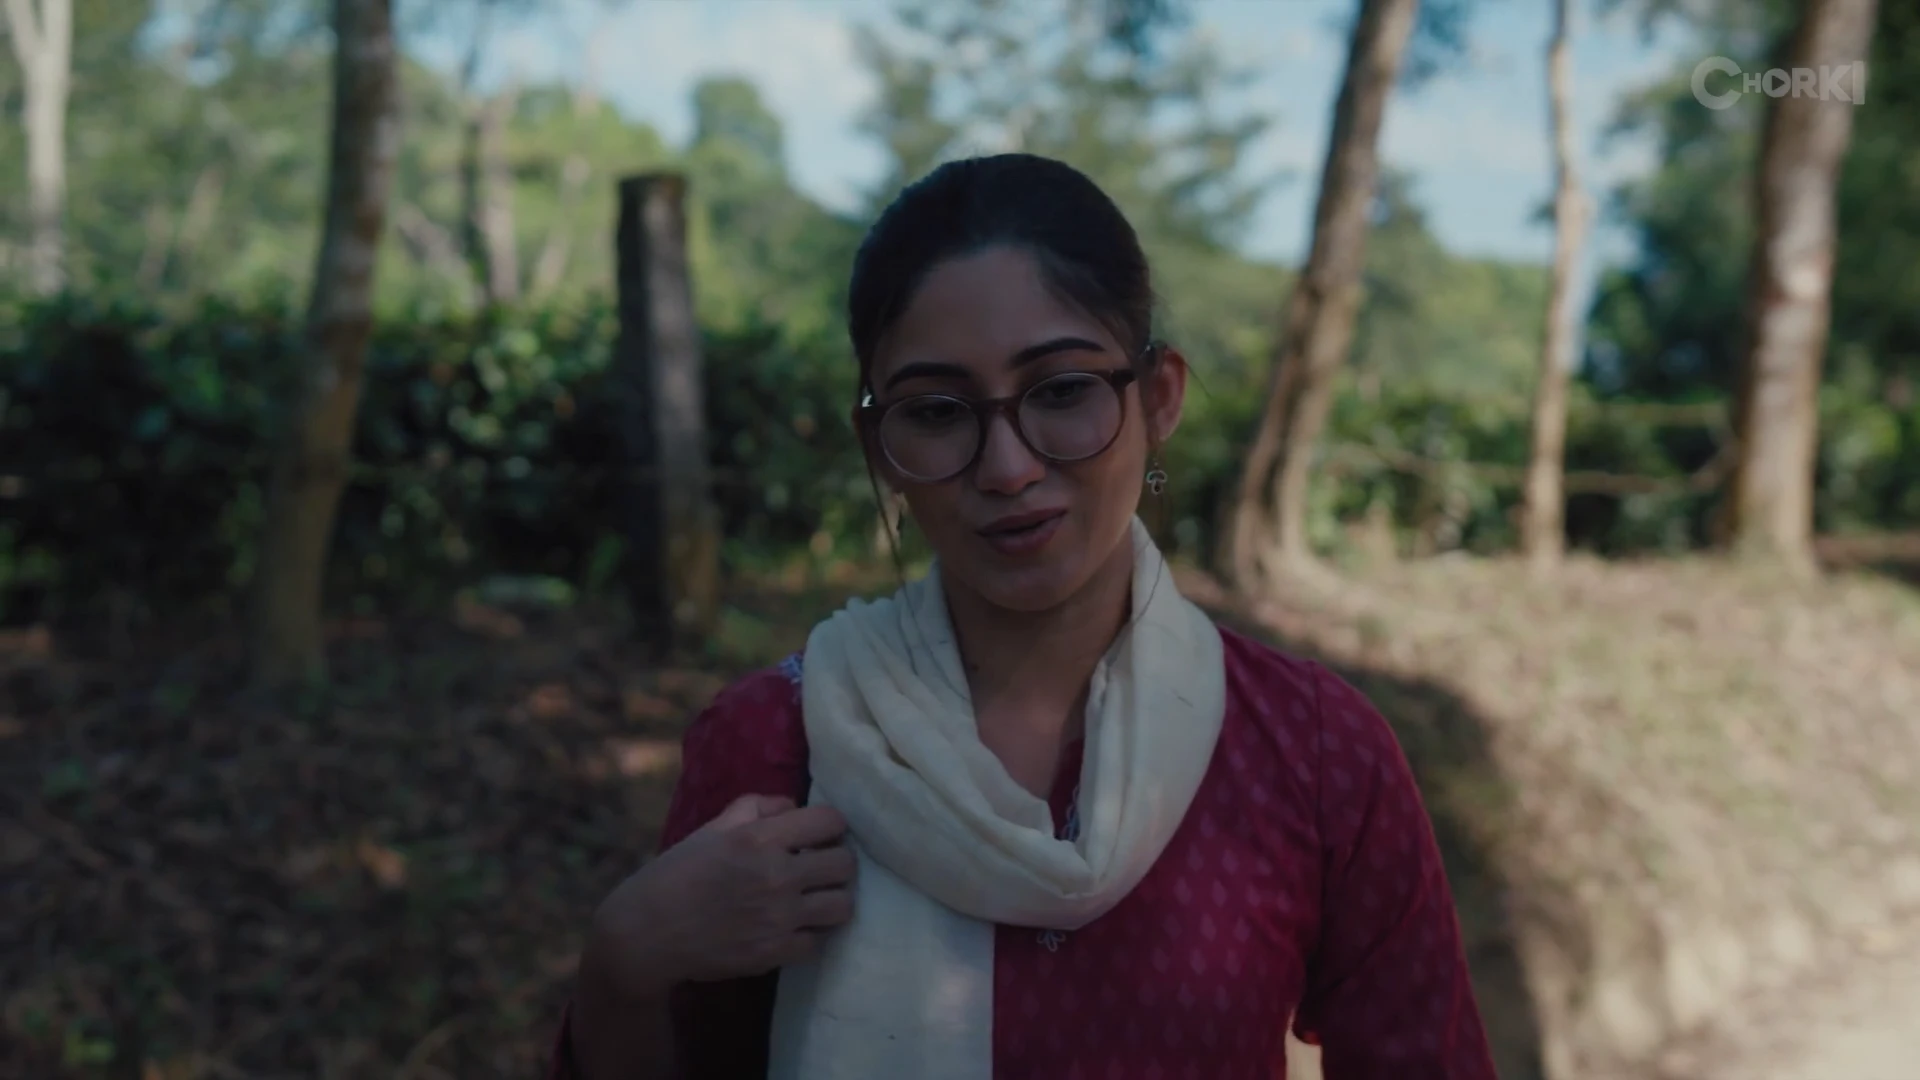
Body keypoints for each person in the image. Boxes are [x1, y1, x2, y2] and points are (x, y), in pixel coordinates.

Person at [549, 153, 1497, 1079]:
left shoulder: (1313, 755)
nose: (1008, 468)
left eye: (1062, 391)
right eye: (937, 411)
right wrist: (625, 958)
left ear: (1159, 397)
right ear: (878, 444)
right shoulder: (774, 750)